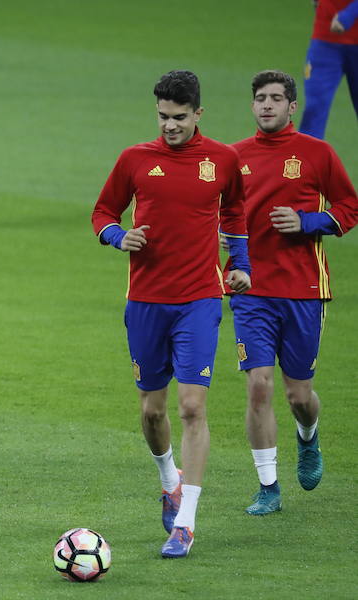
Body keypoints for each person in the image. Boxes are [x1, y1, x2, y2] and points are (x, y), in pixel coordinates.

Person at [91, 70, 252, 558]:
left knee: (191, 407)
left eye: (180, 118)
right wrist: (120, 237)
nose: (170, 126)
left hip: (200, 299)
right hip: (145, 302)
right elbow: (103, 213)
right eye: (163, 117)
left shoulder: (223, 160)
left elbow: (236, 215)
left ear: (198, 113)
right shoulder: (135, 160)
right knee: (152, 410)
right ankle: (169, 480)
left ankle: (186, 523)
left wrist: (239, 265)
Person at [226, 70, 357, 516]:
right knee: (259, 387)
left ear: (291, 106)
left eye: (276, 98)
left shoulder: (317, 154)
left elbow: (350, 206)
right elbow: (212, 212)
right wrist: (220, 236)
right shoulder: (232, 157)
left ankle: (308, 437)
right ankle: (268, 486)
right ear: (252, 104)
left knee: (299, 395)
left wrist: (308, 222)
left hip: (303, 290)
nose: (267, 105)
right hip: (250, 289)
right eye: (260, 98)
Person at [299, 0, 358, 139]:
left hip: (345, 26)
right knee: (314, 108)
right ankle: (309, 159)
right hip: (324, 41)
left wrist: (348, 15)